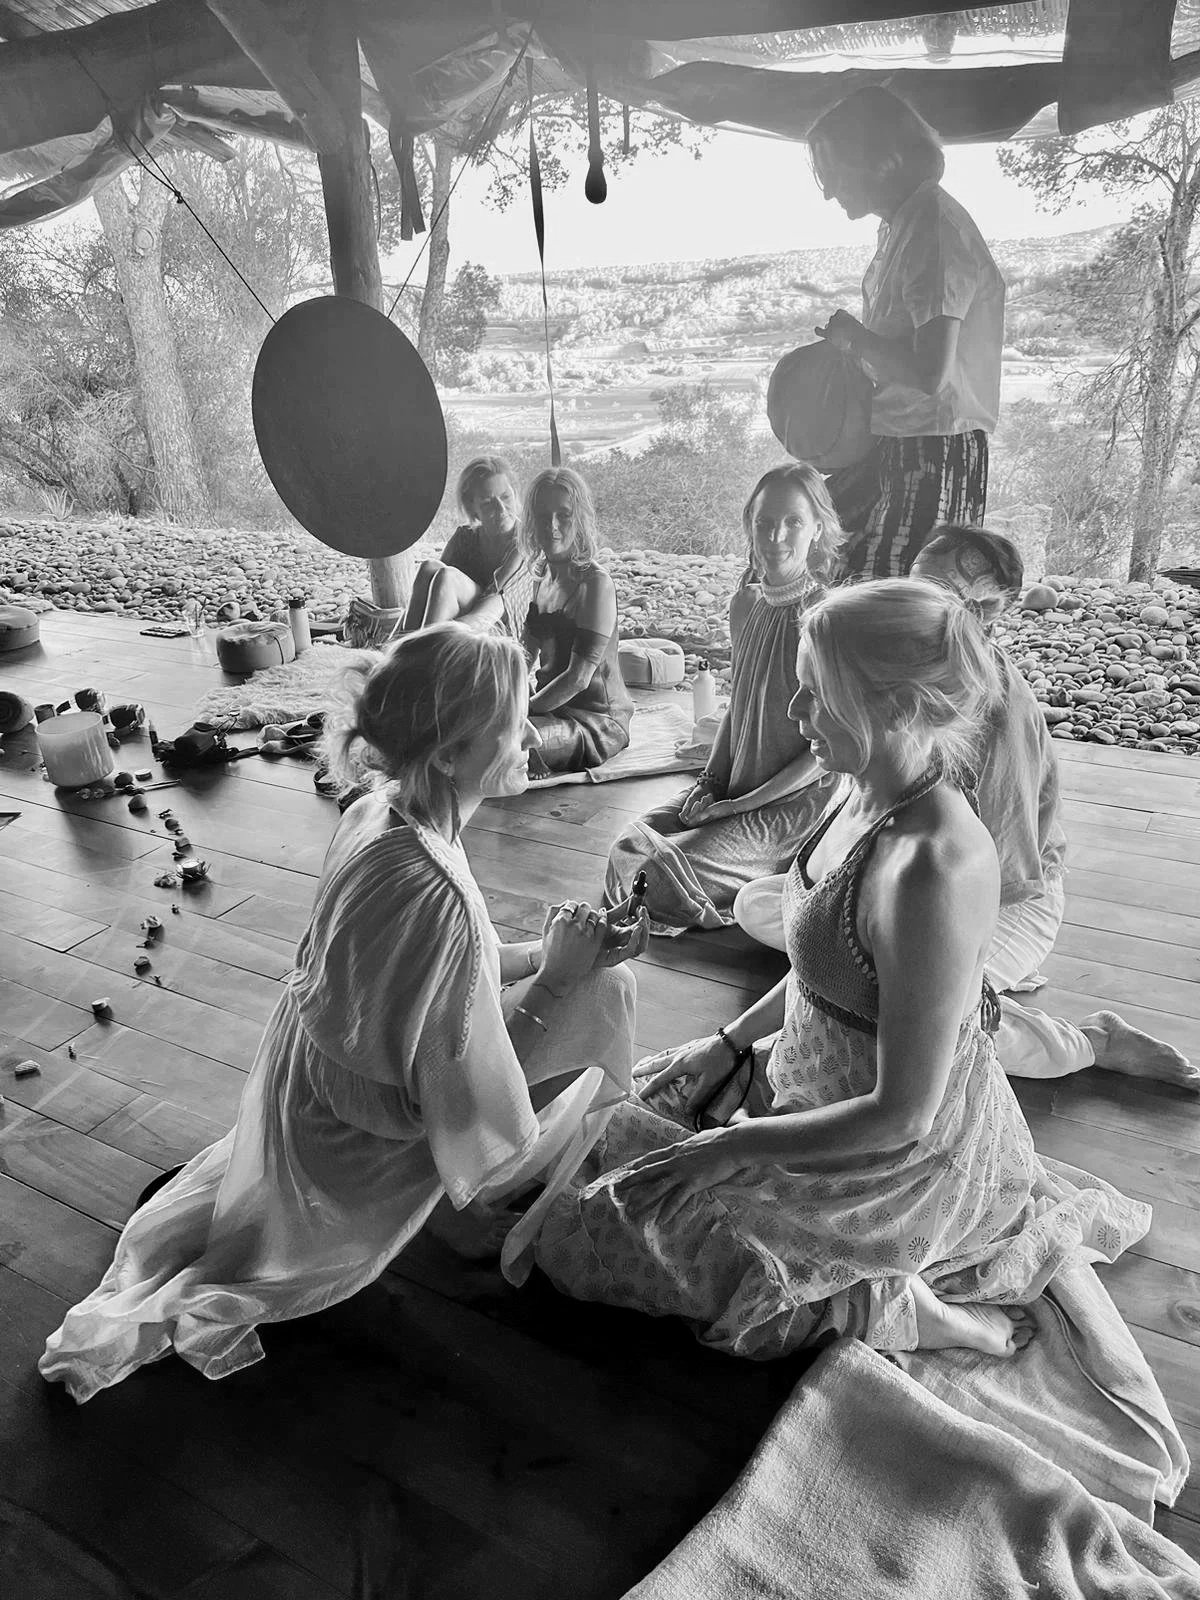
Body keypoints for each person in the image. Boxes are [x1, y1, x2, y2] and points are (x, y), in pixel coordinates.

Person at [533, 581, 1148, 1360]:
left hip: (893, 1159)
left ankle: (913, 1310)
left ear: (894, 705)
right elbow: (823, 964)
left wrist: (727, 1149)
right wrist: (725, 1043)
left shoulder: (934, 867)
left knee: (601, 1232)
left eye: (817, 696)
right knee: (591, 1137)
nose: (796, 716)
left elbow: (904, 1116)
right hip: (806, 1075)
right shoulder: (856, 789)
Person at [40, 625, 648, 1403]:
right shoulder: (440, 895)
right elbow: (459, 1089)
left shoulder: (381, 808)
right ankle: (462, 1205)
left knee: (594, 979)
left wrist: (553, 954)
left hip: (312, 1076)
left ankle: (466, 1189)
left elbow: (448, 975)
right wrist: (562, 981)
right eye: (514, 720)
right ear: (452, 755)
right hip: (367, 1127)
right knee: (606, 994)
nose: (532, 734)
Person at [736, 525, 1198, 1091]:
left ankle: (1085, 1042)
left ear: (986, 613)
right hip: (897, 885)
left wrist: (919, 944)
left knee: (917, 1023)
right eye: (919, 584)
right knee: (758, 903)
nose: (927, 606)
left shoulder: (997, 715)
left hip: (1003, 896)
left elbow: (995, 867)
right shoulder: (879, 687)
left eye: (947, 596)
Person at [604, 464, 841, 934]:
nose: (776, 535)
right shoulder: (746, 603)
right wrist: (710, 782)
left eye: (793, 521)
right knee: (627, 843)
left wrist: (740, 807)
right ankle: (730, 856)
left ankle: (787, 866)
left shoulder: (825, 616)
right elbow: (741, 702)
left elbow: (825, 755)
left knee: (655, 880)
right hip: (736, 783)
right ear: (749, 525)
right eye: (764, 521)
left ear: (817, 529)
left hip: (792, 804)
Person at [808, 86, 1005, 580]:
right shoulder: (906, 223)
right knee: (824, 559)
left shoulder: (933, 230)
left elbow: (928, 373)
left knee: (898, 601)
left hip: (934, 447)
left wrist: (852, 339)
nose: (829, 189)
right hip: (906, 439)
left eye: (833, 170)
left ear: (884, 159)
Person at [521, 466, 634, 776]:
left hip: (594, 722)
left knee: (506, 742)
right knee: (468, 727)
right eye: (543, 516)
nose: (552, 526)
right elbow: (523, 656)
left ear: (580, 518)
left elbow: (578, 679)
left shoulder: (595, 584)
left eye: (564, 515)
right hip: (549, 709)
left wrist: (519, 713)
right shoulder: (542, 575)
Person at [399, 456, 535, 637]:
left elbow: (489, 611)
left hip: (496, 628)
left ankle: (422, 654)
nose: (501, 509)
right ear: (472, 508)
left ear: (516, 494)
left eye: (506, 497)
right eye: (487, 503)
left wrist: (439, 633)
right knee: (429, 568)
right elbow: (430, 595)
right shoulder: (465, 538)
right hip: (458, 622)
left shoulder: (523, 544)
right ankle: (398, 646)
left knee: (448, 577)